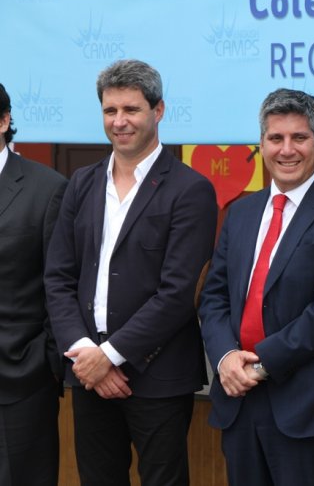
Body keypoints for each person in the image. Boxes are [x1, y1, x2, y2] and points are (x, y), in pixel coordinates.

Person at [44, 59, 217, 486]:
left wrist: (110, 356)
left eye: (132, 110)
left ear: (158, 111)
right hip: (87, 371)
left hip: (157, 376)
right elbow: (58, 278)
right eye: (110, 111)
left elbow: (177, 293)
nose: (120, 122)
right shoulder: (80, 183)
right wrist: (88, 354)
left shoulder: (190, 190)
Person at [199, 88, 314, 486]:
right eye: (276, 138)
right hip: (239, 402)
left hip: (306, 409)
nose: (287, 149)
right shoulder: (240, 213)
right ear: (261, 144)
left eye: (299, 138)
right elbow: (213, 297)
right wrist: (226, 358)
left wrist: (258, 366)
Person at [0, 83, 67, 485]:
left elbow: (58, 284)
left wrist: (44, 360)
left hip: (18, 379)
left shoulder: (47, 189)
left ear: (5, 121)